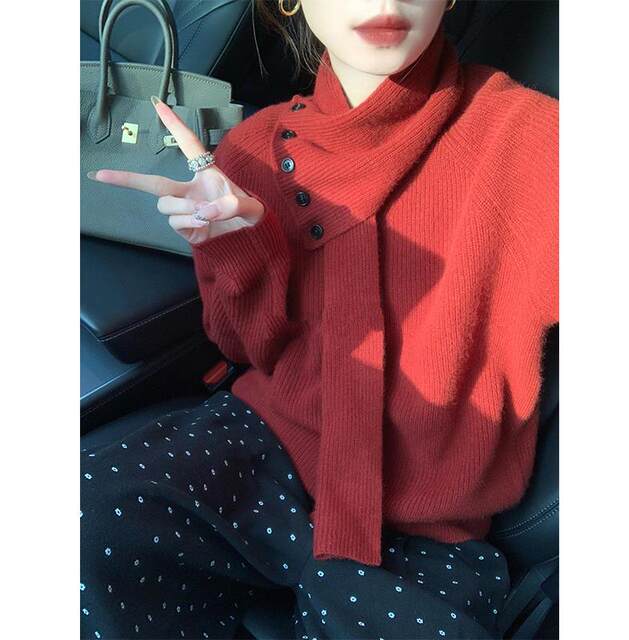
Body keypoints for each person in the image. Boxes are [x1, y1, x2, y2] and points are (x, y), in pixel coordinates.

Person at [80, 0, 558, 638]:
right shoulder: (252, 151)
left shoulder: (535, 140)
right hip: (260, 451)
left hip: (426, 529)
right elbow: (243, 347)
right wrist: (237, 245)